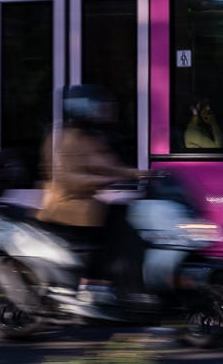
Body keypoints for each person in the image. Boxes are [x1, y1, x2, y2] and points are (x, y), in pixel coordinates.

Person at [40, 85, 145, 302]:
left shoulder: (91, 137)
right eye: (98, 107)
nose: (104, 112)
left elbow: (109, 165)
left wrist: (141, 174)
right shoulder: (62, 138)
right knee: (118, 223)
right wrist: (106, 180)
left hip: (88, 203)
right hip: (67, 206)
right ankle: (106, 283)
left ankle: (122, 283)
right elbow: (67, 178)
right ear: (81, 109)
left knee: (129, 215)